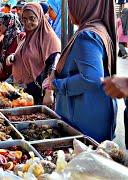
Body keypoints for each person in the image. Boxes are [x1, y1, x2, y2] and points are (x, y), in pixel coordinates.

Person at [50, 0, 117, 142]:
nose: (69, 9)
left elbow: (91, 78)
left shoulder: (87, 35)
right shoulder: (98, 29)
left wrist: (57, 85)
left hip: (85, 118)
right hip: (95, 112)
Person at [7, 2, 60, 105]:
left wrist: (49, 93)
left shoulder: (50, 39)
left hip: (40, 96)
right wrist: (13, 56)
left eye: (32, 18)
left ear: (39, 17)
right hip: (24, 94)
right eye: (24, 19)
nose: (27, 23)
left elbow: (54, 67)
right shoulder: (26, 37)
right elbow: (25, 55)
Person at [0, 14, 24, 81]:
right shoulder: (4, 39)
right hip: (4, 78)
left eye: (1, 24)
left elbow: (25, 57)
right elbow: (0, 57)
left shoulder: (21, 37)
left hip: (17, 79)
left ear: (8, 24)